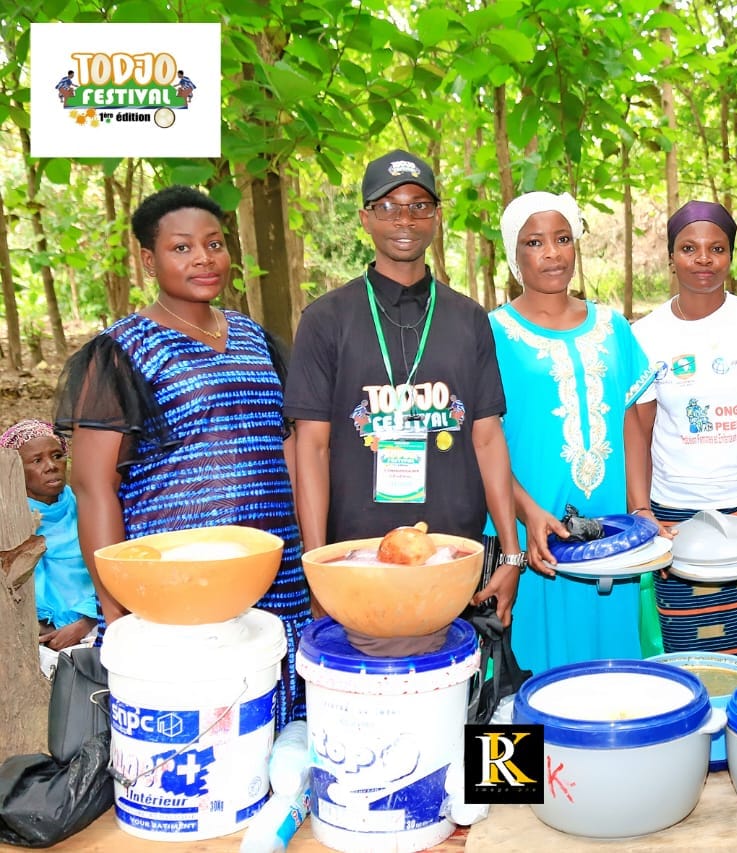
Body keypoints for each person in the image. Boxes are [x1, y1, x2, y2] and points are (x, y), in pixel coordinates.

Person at [55, 185, 310, 727]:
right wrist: (115, 605)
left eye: (214, 244)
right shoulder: (121, 351)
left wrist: (309, 549)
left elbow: (286, 447)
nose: (203, 258)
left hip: (276, 569)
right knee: (202, 727)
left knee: (275, 717)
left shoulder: (253, 337)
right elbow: (93, 485)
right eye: (182, 248)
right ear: (149, 259)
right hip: (178, 583)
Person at [284, 149, 523, 625]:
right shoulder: (326, 320)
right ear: (365, 218)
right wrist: (317, 568)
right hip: (356, 558)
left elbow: (488, 436)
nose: (405, 219)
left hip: (454, 557)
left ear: (436, 217)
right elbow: (310, 448)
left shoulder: (468, 319)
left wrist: (511, 556)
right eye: (388, 206)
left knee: (454, 691)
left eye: (419, 205)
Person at [628, 201, 737, 673]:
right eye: (689, 248)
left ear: (731, 255)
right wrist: (642, 511)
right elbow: (639, 429)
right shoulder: (645, 336)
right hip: (677, 517)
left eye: (716, 248)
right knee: (694, 659)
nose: (703, 259)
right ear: (671, 257)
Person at [488, 191, 654, 671]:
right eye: (535, 242)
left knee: (610, 680)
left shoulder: (612, 326)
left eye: (562, 239)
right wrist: (528, 512)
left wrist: (639, 509)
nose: (552, 253)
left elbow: (631, 420)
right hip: (527, 537)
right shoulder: (492, 333)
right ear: (514, 255)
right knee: (519, 682)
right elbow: (484, 442)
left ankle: (599, 750)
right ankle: (514, 752)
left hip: (608, 536)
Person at [1, 420, 97, 652]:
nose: (51, 466)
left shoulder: (89, 506)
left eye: (57, 456)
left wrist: (87, 622)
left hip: (96, 625)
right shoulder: (7, 521)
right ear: (15, 470)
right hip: (32, 637)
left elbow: (113, 572)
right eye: (36, 461)